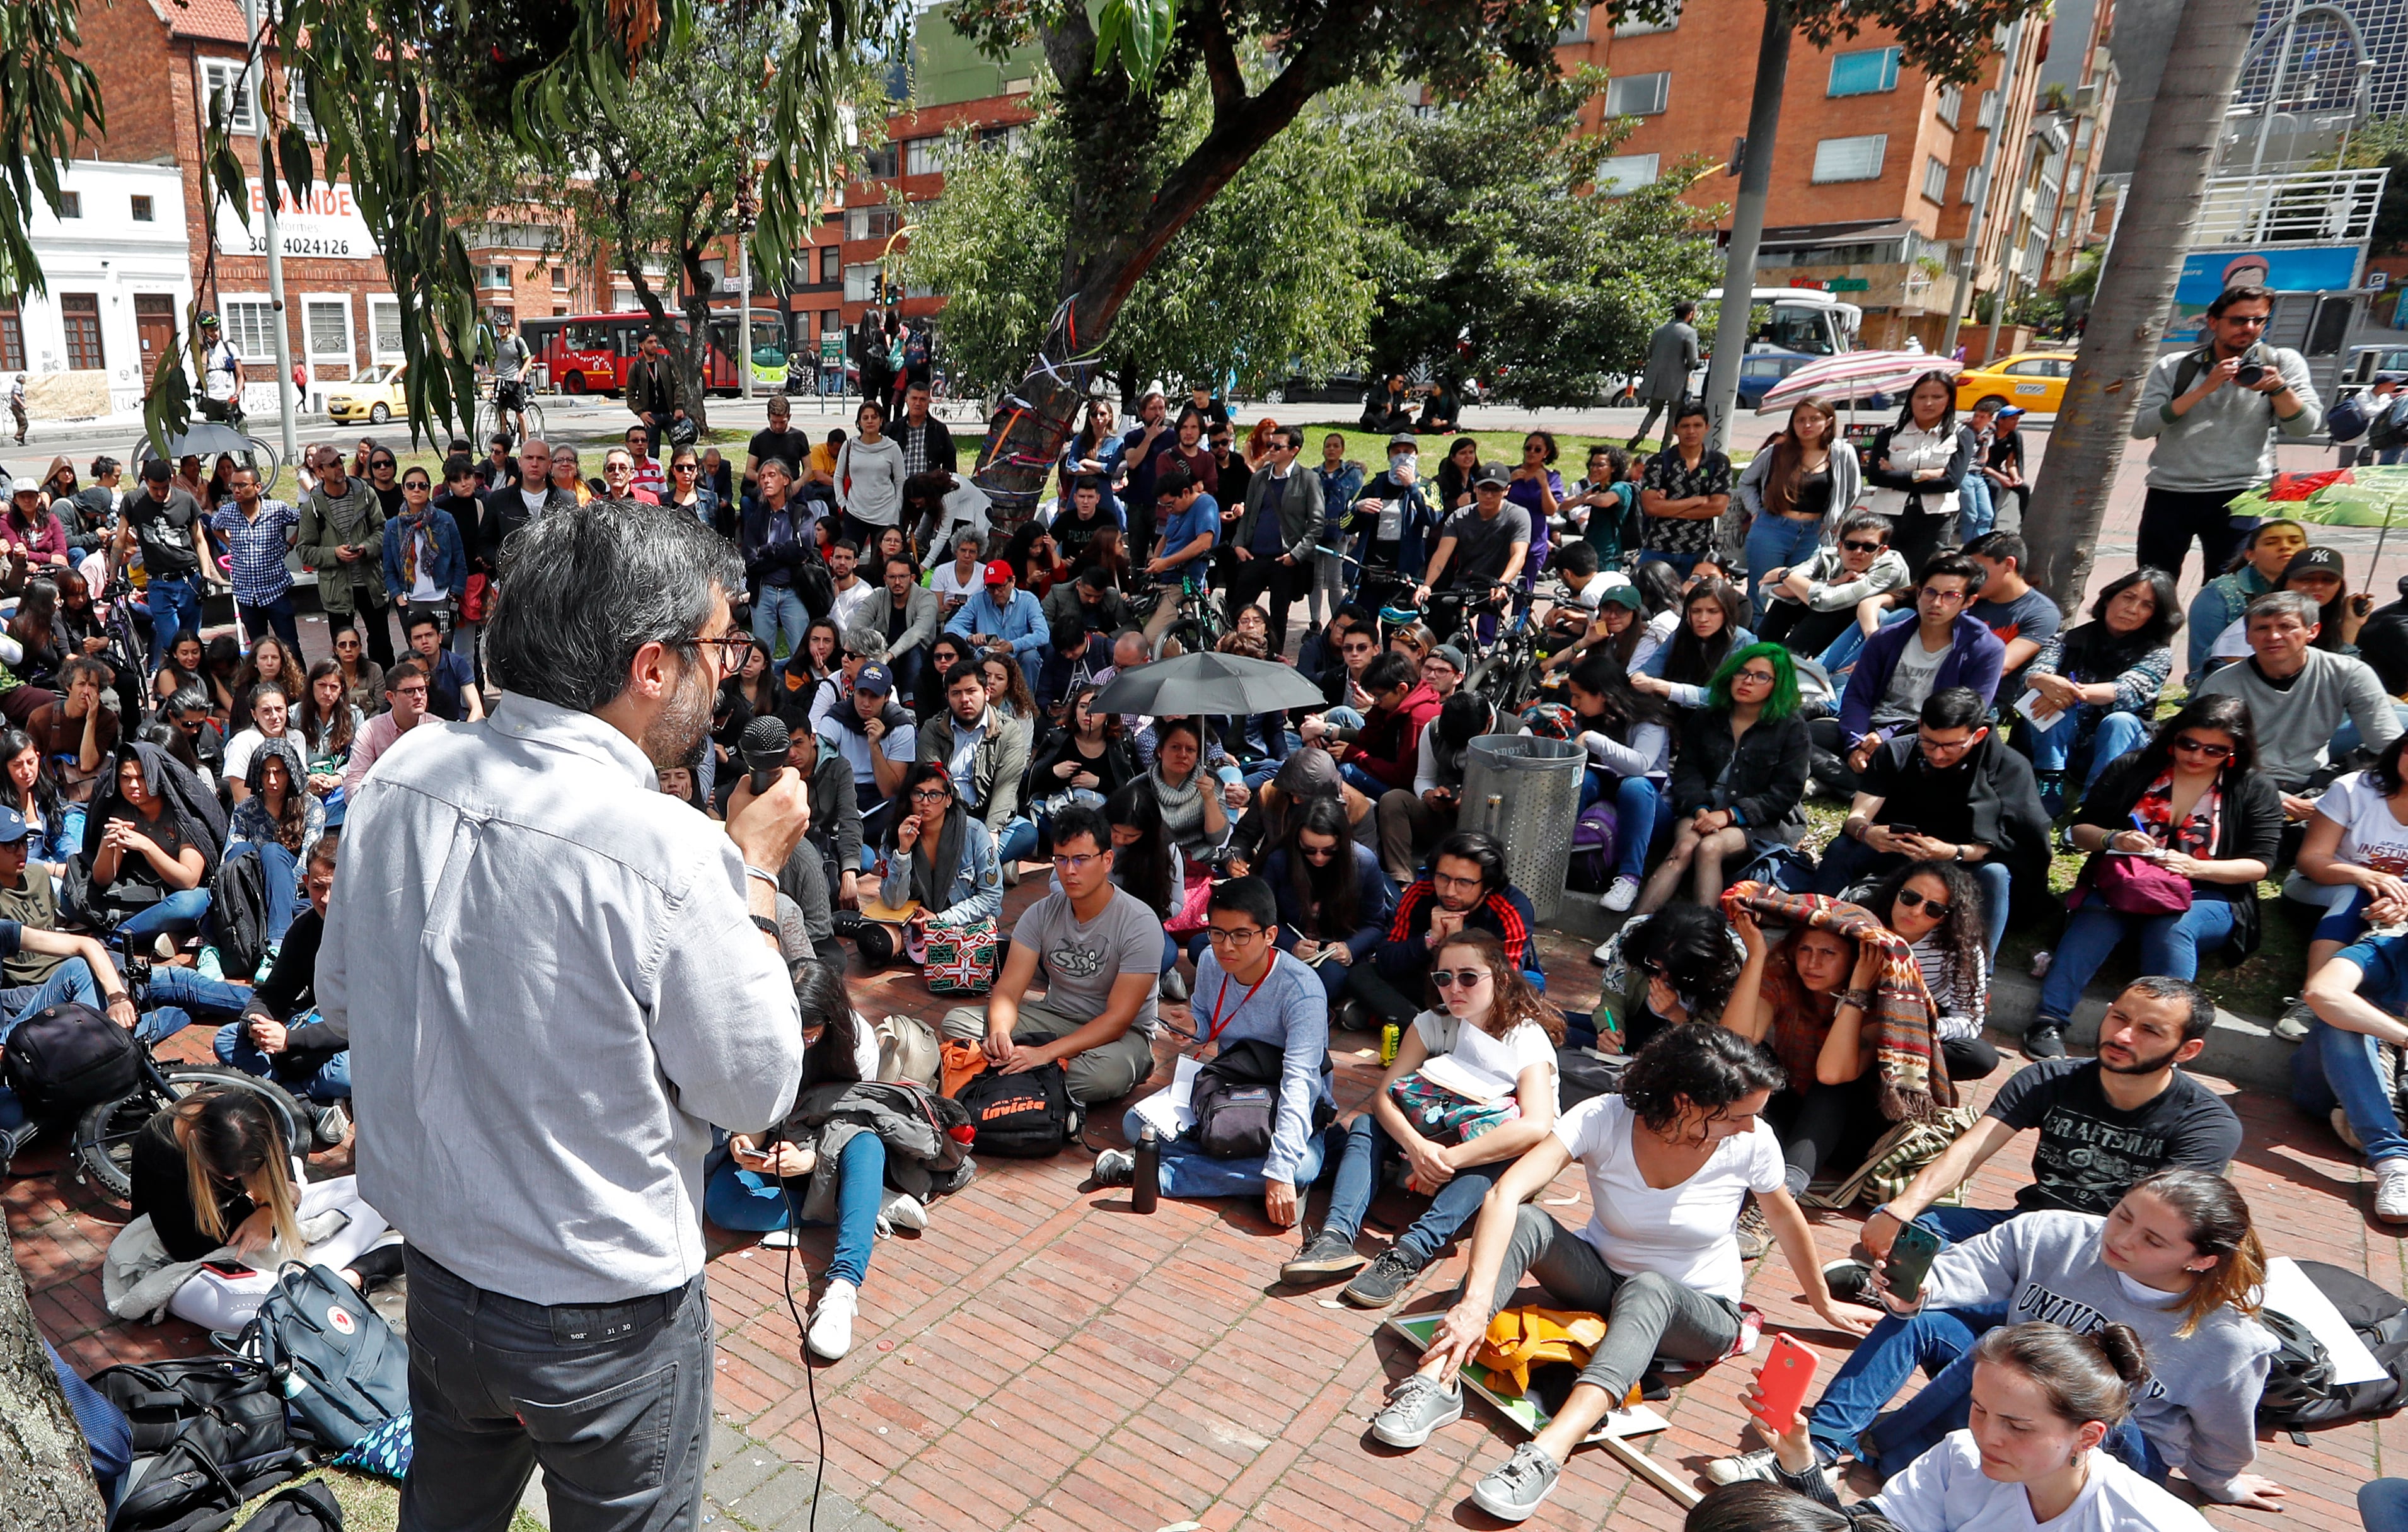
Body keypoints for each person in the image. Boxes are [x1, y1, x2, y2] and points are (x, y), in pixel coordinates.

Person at [323, 497, 808, 1529]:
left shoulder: (401, 776)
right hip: (606, 1324)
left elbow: (340, 996)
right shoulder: (670, 852)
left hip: (442, 1280)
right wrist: (757, 873)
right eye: (721, 643)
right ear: (650, 667)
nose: (734, 669)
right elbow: (756, 1087)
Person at [1367, 1024, 1870, 1523]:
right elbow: (1505, 1194)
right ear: (1684, 1102)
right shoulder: (1604, 1118)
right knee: (1525, 1221)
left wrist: (1823, 1301)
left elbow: (1784, 1216)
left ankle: (1547, 1454)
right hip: (1604, 1283)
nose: (1750, 1126)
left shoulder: (1752, 1141)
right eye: (1737, 1116)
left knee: (1650, 1288)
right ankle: (1435, 1380)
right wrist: (1474, 1306)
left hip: (1697, 1313)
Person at [1734, 1169, 2284, 1511]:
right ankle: (1824, 1446)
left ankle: (1915, 1461)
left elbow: (2224, 1432)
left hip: (2113, 1442)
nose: (2119, 1238)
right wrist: (1917, 1289)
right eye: (2122, 1216)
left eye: (2152, 1239)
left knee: (2017, 1360)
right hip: (2011, 1397)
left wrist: (2220, 1483)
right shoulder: (2054, 1233)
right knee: (1942, 1329)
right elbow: (1963, 1272)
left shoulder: (2228, 1340)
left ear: (2201, 1258)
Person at [1730, 1320, 2221, 1532]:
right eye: (1979, 1409)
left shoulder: (2154, 1523)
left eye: (2018, 1426)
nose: (1988, 1436)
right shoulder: (1959, 1457)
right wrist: (1800, 1462)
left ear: (2088, 1435)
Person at [1285, 927, 1556, 1301]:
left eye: (1469, 977)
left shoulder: (1524, 1036)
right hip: (1433, 1136)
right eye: (1444, 978)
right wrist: (1417, 1149)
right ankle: (1335, 1238)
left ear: (1501, 977)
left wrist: (1445, 1160)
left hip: (1487, 1153)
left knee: (1501, 1157)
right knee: (1365, 1124)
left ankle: (1410, 1253)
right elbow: (1384, 1097)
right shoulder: (1432, 1022)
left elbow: (1536, 1125)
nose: (1455, 988)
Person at [2025, 695, 2278, 1059]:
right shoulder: (2133, 768)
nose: (2197, 756)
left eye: (2214, 751)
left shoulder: (2253, 788)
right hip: (2127, 881)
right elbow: (2080, 829)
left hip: (2208, 892)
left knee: (2173, 927)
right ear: (2173, 737)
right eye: (2188, 744)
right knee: (2097, 918)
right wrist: (2113, 839)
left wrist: (2198, 868)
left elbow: (2260, 864)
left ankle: (2162, 1040)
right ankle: (2049, 1020)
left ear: (2234, 750)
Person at [1092, 876, 1333, 1223]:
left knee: (1299, 1168)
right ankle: (1244, 1174)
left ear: (1270, 935)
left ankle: (1151, 1172)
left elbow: (1301, 1083)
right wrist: (1196, 1026)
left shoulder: (1302, 991)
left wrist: (1280, 1169)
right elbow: (1208, 1016)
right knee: (1136, 1125)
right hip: (1229, 1087)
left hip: (1285, 1096)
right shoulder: (1209, 962)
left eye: (1241, 935)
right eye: (1217, 933)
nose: (1226, 947)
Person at [942, 802, 1162, 1107]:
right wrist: (1001, 1034)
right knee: (958, 1022)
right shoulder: (1041, 913)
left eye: (1082, 859)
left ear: (1107, 860)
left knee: (1105, 1076)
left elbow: (1118, 1020)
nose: (1070, 871)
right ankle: (1031, 1079)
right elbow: (1008, 990)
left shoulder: (1140, 922)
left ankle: (1010, 1077)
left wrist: (1045, 1053)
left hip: (1120, 1036)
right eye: (1061, 859)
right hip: (1054, 1016)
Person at [124, 1091, 395, 1333]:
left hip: (250, 1224)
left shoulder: (257, 1114)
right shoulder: (161, 1147)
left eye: (245, 1172)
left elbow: (284, 1179)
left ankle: (313, 1282)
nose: (232, 1179)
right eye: (226, 1174)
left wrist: (267, 1214)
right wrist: (259, 1212)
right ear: (196, 1141)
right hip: (187, 1260)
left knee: (378, 1193)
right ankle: (331, 1277)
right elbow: (189, 1247)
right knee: (250, 1314)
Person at [1817, 688, 2049, 963]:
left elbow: (2014, 845)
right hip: (1901, 853)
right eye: (1929, 743)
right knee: (1843, 849)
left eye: (1951, 746)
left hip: (1965, 862)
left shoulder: (2009, 768)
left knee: (1995, 874)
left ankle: (1977, 970)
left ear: (1979, 735)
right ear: (1919, 727)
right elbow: (1857, 817)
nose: (1938, 755)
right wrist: (1867, 832)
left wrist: (1953, 852)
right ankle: (1818, 933)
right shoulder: (1896, 752)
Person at [2133, 283, 2322, 583]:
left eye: (2258, 320)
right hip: (2171, 490)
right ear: (2213, 322)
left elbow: (2306, 427)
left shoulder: (2281, 363)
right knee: (2154, 585)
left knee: (2230, 588)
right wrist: (2204, 388)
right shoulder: (2175, 366)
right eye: (2238, 320)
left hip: (2241, 492)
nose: (2248, 328)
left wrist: (2278, 388)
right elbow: (2141, 427)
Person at [1632, 645, 1810, 917]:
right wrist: (1700, 809)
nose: (1747, 681)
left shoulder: (1792, 728)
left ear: (1778, 685)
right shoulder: (1706, 718)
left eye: (1761, 676)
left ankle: (1705, 936)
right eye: (1742, 672)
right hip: (1702, 809)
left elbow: (1785, 793)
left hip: (1759, 821)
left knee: (1710, 847)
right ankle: (1631, 930)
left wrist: (1730, 815)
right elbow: (1687, 772)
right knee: (1685, 846)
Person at [1815, 552, 2004, 798]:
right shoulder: (1887, 638)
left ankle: (1845, 782)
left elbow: (1965, 716)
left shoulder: (1985, 649)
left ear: (1968, 601)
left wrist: (1886, 737)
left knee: (1922, 761)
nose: (1937, 603)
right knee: (1803, 734)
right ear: (1919, 593)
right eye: (1930, 593)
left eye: (1951, 596)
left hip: (1930, 739)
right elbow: (1858, 697)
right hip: (1871, 729)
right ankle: (1857, 784)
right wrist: (1855, 744)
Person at [2195, 589, 2399, 815]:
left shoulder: (2349, 673)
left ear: (2312, 631)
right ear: (2247, 637)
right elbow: (2204, 756)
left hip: (2318, 781)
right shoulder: (2222, 684)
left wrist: (2342, 795)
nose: (2273, 636)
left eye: (2286, 627)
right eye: (2262, 628)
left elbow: (2388, 746)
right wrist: (2274, 798)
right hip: (2242, 783)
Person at [2022, 567, 2180, 816]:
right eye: (2128, 598)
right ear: (2109, 598)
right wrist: (2041, 680)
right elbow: (2035, 672)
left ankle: (2096, 803)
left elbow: (2127, 690)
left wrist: (2066, 689)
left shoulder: (2157, 653)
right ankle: (2050, 780)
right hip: (2063, 742)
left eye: (2147, 605)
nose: (2132, 609)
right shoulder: (2067, 640)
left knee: (2119, 720)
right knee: (2046, 693)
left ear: (2155, 616)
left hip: (2117, 749)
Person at [1354, 830, 1539, 1030]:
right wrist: (1430, 940)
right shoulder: (1421, 892)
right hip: (1431, 983)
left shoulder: (1511, 909)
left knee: (1524, 993)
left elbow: (1508, 983)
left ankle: (1412, 1026)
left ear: (1488, 885)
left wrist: (1458, 943)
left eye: (1464, 883)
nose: (1450, 891)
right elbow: (1386, 960)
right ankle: (1425, 1030)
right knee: (1361, 974)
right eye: (1442, 878)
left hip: (1481, 992)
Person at [212, 832, 348, 1104]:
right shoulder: (304, 927)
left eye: (336, 888)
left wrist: (291, 1039)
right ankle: (300, 1097)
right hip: (307, 1026)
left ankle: (279, 1091)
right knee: (227, 1038)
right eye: (318, 888)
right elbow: (274, 991)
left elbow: (360, 1022)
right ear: (306, 883)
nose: (326, 899)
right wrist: (256, 1022)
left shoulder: (369, 934)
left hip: (348, 1038)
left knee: (344, 1074)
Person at [1260, 795, 1396, 1006]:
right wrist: (1292, 945)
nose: (1319, 858)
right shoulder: (1280, 861)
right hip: (1285, 947)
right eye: (1309, 850)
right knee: (1206, 947)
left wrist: (1350, 948)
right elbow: (1264, 917)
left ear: (1341, 844)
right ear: (1297, 841)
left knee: (1330, 978)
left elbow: (1375, 924)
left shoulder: (1364, 863)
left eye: (1329, 850)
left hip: (1334, 952)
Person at [1739, 398, 1863, 623]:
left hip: (1813, 533)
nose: (1807, 425)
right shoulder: (1777, 451)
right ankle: (1753, 647)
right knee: (1760, 592)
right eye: (1800, 420)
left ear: (1828, 421)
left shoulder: (1842, 453)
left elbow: (1852, 492)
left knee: (1800, 592)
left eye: (1814, 419)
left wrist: (1833, 519)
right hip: (1771, 529)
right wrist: (1756, 511)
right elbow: (1745, 482)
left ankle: (1782, 647)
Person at [915, 659, 1036, 870]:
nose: (965, 700)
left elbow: (1006, 789)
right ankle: (988, 867)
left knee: (1027, 834)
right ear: (947, 697)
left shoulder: (1009, 731)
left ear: (987, 693)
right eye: (956, 693)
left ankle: (960, 866)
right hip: (947, 814)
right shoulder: (932, 730)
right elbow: (932, 783)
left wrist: (992, 833)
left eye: (972, 691)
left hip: (987, 814)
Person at [1759, 512, 1911, 658]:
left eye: (1869, 547)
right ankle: (1759, 650)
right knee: (1792, 599)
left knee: (1830, 602)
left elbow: (1828, 601)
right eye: (1851, 545)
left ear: (1882, 551)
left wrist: (1785, 575)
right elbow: (1767, 587)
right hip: (1833, 626)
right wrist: (1832, 582)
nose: (1859, 552)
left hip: (1872, 632)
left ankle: (1789, 657)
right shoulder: (1829, 555)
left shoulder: (1891, 567)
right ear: (1840, 546)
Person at [1863, 372, 1971, 571]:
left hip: (1934, 519)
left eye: (1937, 397)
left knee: (1923, 576)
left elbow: (1950, 482)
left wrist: (1895, 474)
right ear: (1911, 399)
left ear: (1949, 401)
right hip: (1888, 514)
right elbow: (1876, 477)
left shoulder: (1961, 435)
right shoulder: (1889, 435)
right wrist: (1927, 474)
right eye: (1921, 397)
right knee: (1879, 572)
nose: (1928, 403)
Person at [298, 444, 393, 670]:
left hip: (370, 582)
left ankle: (385, 690)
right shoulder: (313, 505)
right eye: (332, 465)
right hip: (337, 588)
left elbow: (382, 531)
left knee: (382, 643)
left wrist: (366, 548)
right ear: (320, 472)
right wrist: (335, 554)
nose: (338, 468)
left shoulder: (365, 493)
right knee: (343, 647)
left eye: (339, 463)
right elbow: (305, 550)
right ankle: (346, 693)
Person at [1228, 426, 1323, 652]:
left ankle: (1275, 658)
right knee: (1238, 609)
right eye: (1270, 444)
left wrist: (1297, 554)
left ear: (1294, 450)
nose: (1271, 449)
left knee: (1279, 615)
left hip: (1285, 560)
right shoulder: (1260, 478)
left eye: (1277, 446)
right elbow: (1249, 513)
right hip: (1255, 555)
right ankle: (1234, 651)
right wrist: (1238, 545)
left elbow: (1317, 524)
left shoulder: (1308, 479)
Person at [2183, 518, 2306, 686]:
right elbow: (2203, 663)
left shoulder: (2317, 588)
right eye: (2271, 542)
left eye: (2295, 541)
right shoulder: (2220, 593)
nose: (2285, 546)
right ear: (2250, 554)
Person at [121, 459, 211, 676]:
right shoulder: (133, 501)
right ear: (145, 482)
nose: (160, 493)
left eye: (164, 488)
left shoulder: (186, 500)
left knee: (191, 645)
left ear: (171, 480)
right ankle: (176, 689)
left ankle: (194, 686)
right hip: (159, 582)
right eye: (155, 489)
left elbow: (199, 540)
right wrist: (113, 576)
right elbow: (119, 539)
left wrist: (206, 577)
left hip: (190, 579)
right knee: (173, 644)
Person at [1960, 531, 2061, 701]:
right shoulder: (1969, 596)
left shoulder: (2042, 613)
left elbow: (2000, 666)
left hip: (1986, 698)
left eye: (1979, 571)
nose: (1971, 580)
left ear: (2009, 564)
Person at [1636, 403, 1734, 576]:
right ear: (1675, 429)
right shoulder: (1658, 462)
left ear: (1707, 428)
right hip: (1658, 548)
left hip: (1698, 552)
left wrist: (1667, 508)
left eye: (1697, 426)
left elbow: (1718, 508)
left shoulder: (1718, 463)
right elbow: (1651, 508)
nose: (1691, 431)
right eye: (1685, 426)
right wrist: (1697, 501)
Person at [382, 465, 465, 642]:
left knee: (443, 650)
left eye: (422, 485)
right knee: (417, 655)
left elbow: (459, 561)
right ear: (403, 490)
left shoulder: (445, 520)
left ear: (429, 489)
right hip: (411, 599)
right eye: (411, 486)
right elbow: (388, 569)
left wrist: (455, 594)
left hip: (442, 597)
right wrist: (398, 597)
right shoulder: (393, 526)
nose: (417, 490)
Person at [1141, 461, 1221, 645]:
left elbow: (1203, 543)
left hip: (1181, 580)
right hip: (1163, 578)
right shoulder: (1176, 510)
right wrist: (1156, 560)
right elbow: (1166, 538)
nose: (1169, 510)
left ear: (1185, 493)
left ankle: (1182, 663)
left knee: (1152, 636)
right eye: (1164, 506)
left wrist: (1166, 562)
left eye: (1170, 505)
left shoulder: (1205, 504)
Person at [945, 558, 1048, 692]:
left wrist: (1012, 645)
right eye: (991, 588)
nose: (996, 592)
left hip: (1017, 658)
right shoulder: (978, 599)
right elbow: (951, 627)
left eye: (1000, 586)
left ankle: (1027, 705)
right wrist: (970, 637)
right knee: (969, 652)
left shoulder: (1028, 600)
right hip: (986, 658)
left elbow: (1043, 635)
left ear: (1012, 581)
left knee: (1031, 656)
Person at [1629, 299, 1701, 448]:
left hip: (1655, 379)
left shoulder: (1660, 330)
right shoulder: (1690, 332)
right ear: (1690, 314)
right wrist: (1696, 364)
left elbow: (1649, 353)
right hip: (1676, 381)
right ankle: (1665, 445)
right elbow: (1692, 360)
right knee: (1674, 414)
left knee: (1654, 411)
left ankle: (1642, 433)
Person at [836, 400, 907, 550]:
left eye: (874, 417)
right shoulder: (849, 446)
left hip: (885, 513)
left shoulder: (893, 448)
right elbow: (838, 477)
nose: (870, 421)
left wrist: (897, 505)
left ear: (881, 420)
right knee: (848, 556)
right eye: (865, 417)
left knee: (882, 563)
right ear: (859, 422)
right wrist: (842, 503)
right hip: (855, 512)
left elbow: (900, 480)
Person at [403, 609, 483, 724]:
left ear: (440, 637)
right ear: (411, 643)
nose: (424, 641)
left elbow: (477, 708)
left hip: (453, 726)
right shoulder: (406, 666)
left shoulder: (457, 663)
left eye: (429, 635)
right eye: (418, 638)